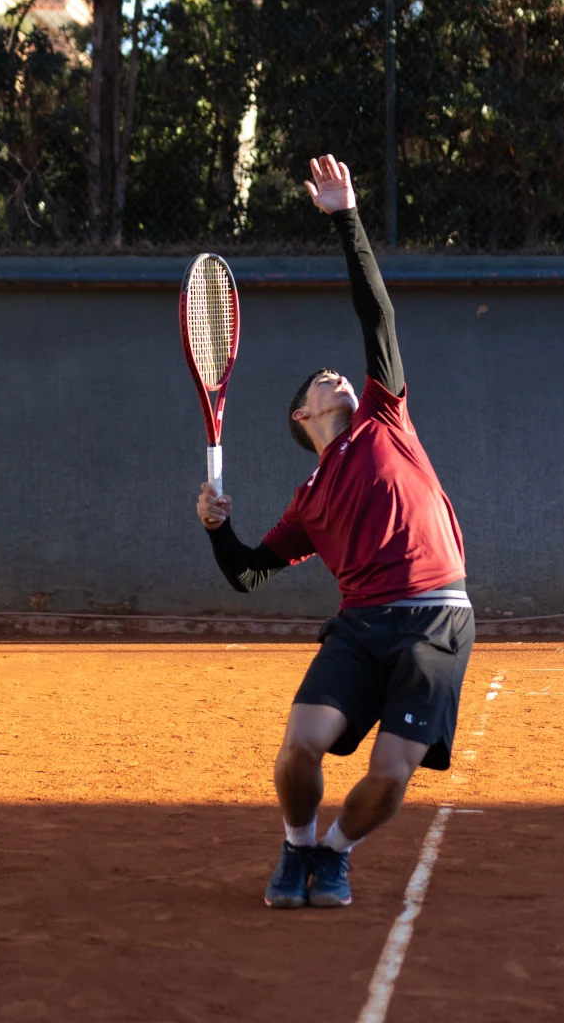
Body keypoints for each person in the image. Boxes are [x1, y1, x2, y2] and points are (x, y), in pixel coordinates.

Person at [194, 154, 474, 910]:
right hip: (360, 628)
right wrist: (220, 530)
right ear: (301, 415)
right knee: (298, 750)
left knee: (388, 779)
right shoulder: (308, 505)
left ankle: (335, 852)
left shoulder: (386, 415)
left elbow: (376, 316)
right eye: (324, 380)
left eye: (342, 375)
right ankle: (295, 846)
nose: (340, 378)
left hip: (435, 622)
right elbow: (250, 573)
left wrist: (347, 218)